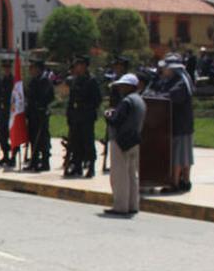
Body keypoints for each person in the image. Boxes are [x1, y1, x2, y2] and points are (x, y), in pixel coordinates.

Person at [147, 58, 195, 191]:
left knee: (179, 156)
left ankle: (175, 183)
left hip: (181, 125)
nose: (162, 70)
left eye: (165, 68)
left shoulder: (180, 82)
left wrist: (157, 96)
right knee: (183, 155)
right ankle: (183, 181)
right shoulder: (171, 81)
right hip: (175, 124)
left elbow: (170, 96)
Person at [103, 74, 147, 216]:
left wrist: (108, 115)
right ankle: (133, 205)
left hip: (121, 140)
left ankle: (120, 206)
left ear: (130, 87)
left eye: (123, 85)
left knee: (120, 175)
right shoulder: (140, 100)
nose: (121, 88)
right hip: (134, 139)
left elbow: (116, 120)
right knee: (132, 175)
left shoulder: (126, 101)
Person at [65, 55, 102, 178]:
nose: (77, 68)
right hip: (76, 116)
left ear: (85, 66)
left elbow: (97, 99)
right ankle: (77, 166)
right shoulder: (75, 80)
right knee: (75, 142)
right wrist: (69, 114)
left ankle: (91, 166)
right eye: (76, 65)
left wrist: (86, 107)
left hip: (86, 116)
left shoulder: (91, 81)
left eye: (80, 65)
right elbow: (71, 99)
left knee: (88, 142)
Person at [25, 57, 54, 172]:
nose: (31, 70)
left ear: (39, 69)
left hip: (41, 114)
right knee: (33, 138)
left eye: (33, 67)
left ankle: (45, 162)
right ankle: (34, 161)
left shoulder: (45, 81)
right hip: (32, 114)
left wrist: (40, 105)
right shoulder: (33, 81)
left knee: (43, 139)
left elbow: (49, 97)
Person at [0, 58, 15, 166]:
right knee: (2, 135)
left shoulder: (14, 81)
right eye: (4, 68)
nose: (6, 70)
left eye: (8, 68)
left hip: (11, 111)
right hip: (3, 111)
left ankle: (13, 157)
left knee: (13, 135)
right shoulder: (1, 81)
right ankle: (6, 155)